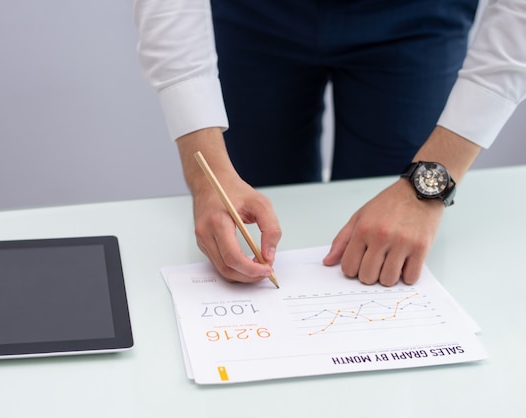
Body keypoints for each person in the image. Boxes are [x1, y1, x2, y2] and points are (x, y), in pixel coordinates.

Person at [134, 0, 526, 286]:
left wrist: (425, 190)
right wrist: (208, 176)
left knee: (388, 249)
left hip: (417, 17)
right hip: (251, 15)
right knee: (247, 215)